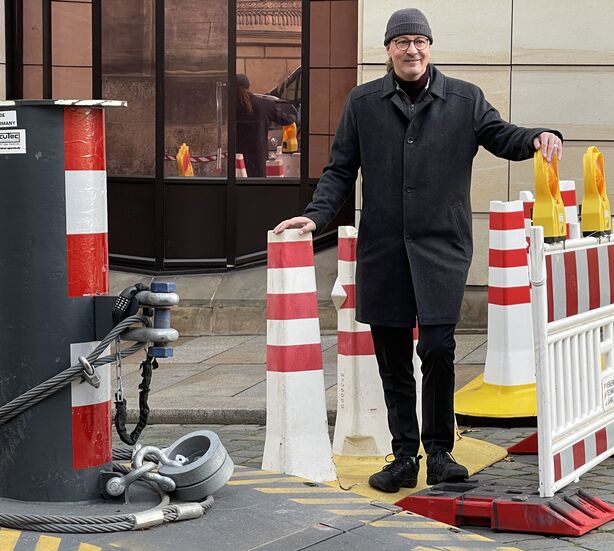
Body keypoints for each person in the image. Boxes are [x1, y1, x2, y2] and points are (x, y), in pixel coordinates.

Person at [273, 8, 562, 493]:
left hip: (441, 247)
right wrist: (317, 215)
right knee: (392, 356)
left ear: (430, 47)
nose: (412, 49)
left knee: (437, 348)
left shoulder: (464, 100)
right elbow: (341, 169)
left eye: (420, 41)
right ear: (388, 49)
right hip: (384, 249)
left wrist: (538, 136)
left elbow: (501, 136)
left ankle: (442, 453)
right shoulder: (363, 103)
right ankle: (404, 455)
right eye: (402, 41)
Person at [236, 74, 294, 178]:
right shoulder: (265, 105)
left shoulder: (229, 106)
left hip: (236, 159)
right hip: (258, 159)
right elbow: (286, 120)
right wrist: (294, 116)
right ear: (248, 87)